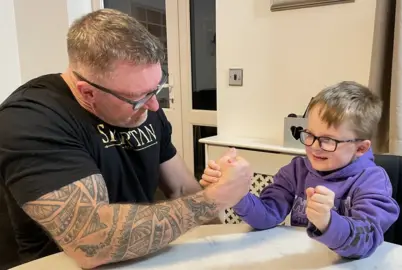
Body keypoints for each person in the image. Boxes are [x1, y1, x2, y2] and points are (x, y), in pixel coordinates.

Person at [0, 9, 252, 269]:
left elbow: (182, 189)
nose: (154, 106)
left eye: (156, 89)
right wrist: (213, 200)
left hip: (138, 259)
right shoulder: (30, 118)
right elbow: (91, 242)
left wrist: (223, 252)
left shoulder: (144, 104)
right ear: (87, 93)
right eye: (140, 97)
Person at [200, 81, 401, 259]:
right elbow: (268, 215)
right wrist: (237, 195)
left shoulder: (372, 180)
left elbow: (366, 241)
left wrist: (328, 221)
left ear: (361, 148)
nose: (314, 146)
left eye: (328, 140)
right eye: (309, 134)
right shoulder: (297, 169)